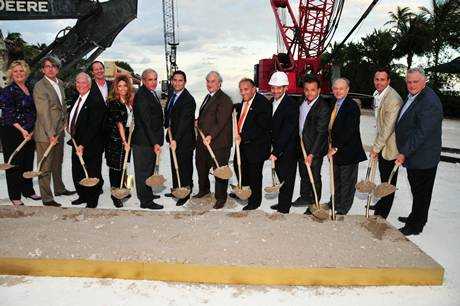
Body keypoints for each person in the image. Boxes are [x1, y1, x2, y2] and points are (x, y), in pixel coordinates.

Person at [395, 67, 442, 236]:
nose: (412, 85)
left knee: (422, 193)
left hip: (424, 157)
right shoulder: (415, 96)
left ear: (424, 81)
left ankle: (416, 226)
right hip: (415, 155)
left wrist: (404, 152)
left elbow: (421, 133)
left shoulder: (429, 101)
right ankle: (415, 216)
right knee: (416, 190)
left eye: (416, 82)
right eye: (409, 82)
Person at [33, 56, 75, 207]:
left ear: (57, 69)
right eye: (47, 66)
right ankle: (47, 198)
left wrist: (65, 124)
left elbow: (62, 107)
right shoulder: (40, 86)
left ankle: (59, 188)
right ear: (43, 69)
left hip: (59, 131)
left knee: (58, 162)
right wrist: (51, 134)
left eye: (53, 66)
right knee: (45, 166)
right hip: (46, 133)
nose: (50, 69)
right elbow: (43, 113)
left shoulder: (60, 83)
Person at [0, 60, 40, 206]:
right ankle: (15, 196)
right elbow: (8, 115)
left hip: (29, 130)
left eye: (21, 71)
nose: (18, 74)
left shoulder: (29, 87)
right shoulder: (8, 90)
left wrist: (33, 128)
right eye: (15, 71)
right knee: (14, 165)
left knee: (27, 161)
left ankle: (28, 191)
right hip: (13, 131)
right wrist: (23, 130)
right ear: (11, 73)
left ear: (26, 73)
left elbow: (33, 110)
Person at [194, 71, 233, 209]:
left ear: (219, 83)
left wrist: (210, 135)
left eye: (213, 81)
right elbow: (208, 117)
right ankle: (204, 190)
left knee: (219, 170)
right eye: (208, 81)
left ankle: (221, 197)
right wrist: (199, 122)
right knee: (201, 167)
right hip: (204, 141)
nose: (210, 84)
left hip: (219, 143)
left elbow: (221, 122)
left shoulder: (224, 99)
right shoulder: (208, 96)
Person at [328, 78, 367, 215]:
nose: (338, 91)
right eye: (335, 88)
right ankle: (335, 201)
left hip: (348, 151)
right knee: (336, 179)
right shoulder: (333, 103)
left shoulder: (352, 106)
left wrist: (336, 147)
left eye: (341, 88)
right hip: (335, 151)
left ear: (347, 90)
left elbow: (349, 131)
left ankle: (344, 207)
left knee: (347, 182)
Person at [68, 72, 106, 208]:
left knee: (91, 172)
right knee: (77, 170)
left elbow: (94, 126)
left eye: (83, 82)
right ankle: (82, 196)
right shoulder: (76, 98)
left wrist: (83, 144)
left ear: (89, 84)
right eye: (78, 82)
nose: (80, 85)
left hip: (91, 144)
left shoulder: (95, 100)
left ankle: (91, 201)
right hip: (76, 142)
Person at [233, 78, 271, 210]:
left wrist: (241, 136)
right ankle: (244, 193)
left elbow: (261, 127)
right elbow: (243, 114)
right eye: (241, 90)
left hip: (256, 146)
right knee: (240, 169)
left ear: (254, 89)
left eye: (246, 89)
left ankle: (255, 201)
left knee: (254, 175)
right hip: (243, 144)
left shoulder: (262, 103)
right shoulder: (245, 101)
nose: (243, 92)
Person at [369, 68, 403, 219]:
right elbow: (380, 124)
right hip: (384, 144)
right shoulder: (377, 95)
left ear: (388, 81)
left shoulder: (393, 99)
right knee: (383, 177)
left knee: (389, 181)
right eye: (377, 79)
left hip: (391, 146)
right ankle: (381, 204)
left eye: (383, 79)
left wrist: (376, 148)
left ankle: (383, 213)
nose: (379, 82)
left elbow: (388, 127)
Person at [132, 68, 164, 210]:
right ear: (143, 81)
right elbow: (145, 122)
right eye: (150, 79)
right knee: (143, 171)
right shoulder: (142, 95)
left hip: (149, 140)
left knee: (149, 169)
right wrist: (155, 142)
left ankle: (148, 193)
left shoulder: (151, 93)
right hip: (143, 141)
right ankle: (145, 201)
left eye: (155, 79)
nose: (153, 82)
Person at [297, 76, 330, 214]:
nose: (309, 93)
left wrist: (312, 153)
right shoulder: (302, 102)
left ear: (319, 90)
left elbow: (321, 133)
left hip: (314, 149)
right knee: (304, 173)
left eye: (313, 90)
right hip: (301, 145)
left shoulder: (323, 107)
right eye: (306, 90)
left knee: (314, 176)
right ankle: (304, 197)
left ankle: (313, 203)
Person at [164, 70, 196, 206]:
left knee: (184, 166)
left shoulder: (188, 100)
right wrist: (167, 127)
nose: (177, 83)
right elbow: (169, 113)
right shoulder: (173, 94)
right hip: (173, 138)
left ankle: (185, 193)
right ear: (172, 81)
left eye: (180, 80)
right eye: (175, 80)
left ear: (185, 82)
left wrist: (175, 139)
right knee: (174, 164)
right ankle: (177, 189)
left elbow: (184, 122)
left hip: (184, 139)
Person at [268, 71, 299, 214]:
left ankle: (284, 208)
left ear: (285, 88)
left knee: (287, 179)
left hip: (287, 149)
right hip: (277, 148)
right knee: (280, 176)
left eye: (278, 87)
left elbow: (287, 131)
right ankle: (282, 202)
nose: (275, 91)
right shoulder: (270, 103)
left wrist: (276, 151)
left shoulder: (291, 105)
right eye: (273, 87)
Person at [105, 74, 134, 208]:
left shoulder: (128, 101)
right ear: (116, 88)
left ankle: (126, 189)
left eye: (125, 85)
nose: (122, 88)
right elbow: (119, 123)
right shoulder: (113, 102)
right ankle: (115, 195)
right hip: (116, 139)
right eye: (119, 86)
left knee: (125, 165)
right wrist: (124, 141)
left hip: (127, 136)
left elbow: (130, 121)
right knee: (115, 167)